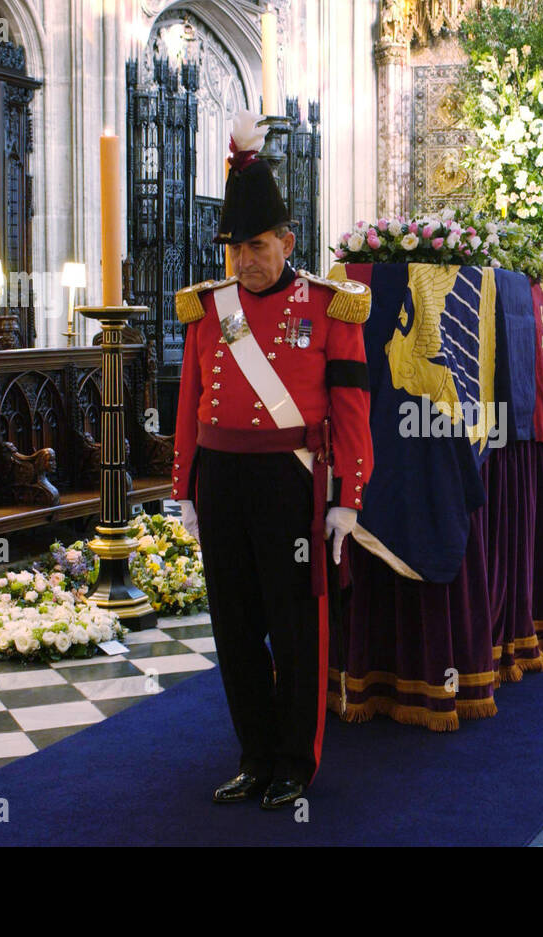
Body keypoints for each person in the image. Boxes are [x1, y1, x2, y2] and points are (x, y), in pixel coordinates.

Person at [171, 110, 373, 810]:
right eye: (234, 247)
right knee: (233, 626)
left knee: (295, 629)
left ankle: (295, 761)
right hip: (223, 480)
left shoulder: (329, 306)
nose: (244, 260)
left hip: (292, 483)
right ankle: (254, 754)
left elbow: (350, 410)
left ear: (287, 240)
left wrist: (346, 496)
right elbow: (192, 401)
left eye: (257, 245)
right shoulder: (209, 309)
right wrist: (187, 487)